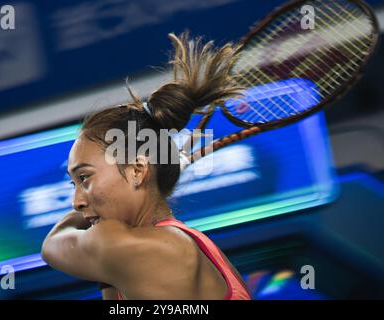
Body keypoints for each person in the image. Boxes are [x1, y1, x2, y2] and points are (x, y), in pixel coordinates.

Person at [41, 31, 251, 300]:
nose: (76, 201)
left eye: (85, 178)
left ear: (137, 170)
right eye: (74, 183)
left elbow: (52, 246)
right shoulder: (182, 247)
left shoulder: (137, 250)